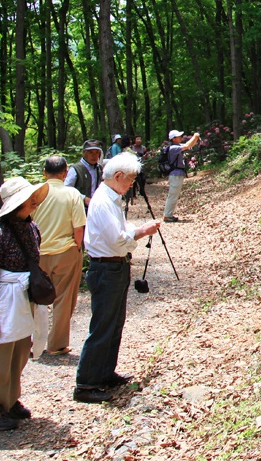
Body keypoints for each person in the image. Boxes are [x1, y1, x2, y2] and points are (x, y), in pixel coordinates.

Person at [74, 154, 160, 404]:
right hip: (105, 269)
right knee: (102, 325)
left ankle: (104, 373)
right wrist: (142, 231)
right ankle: (86, 383)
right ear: (118, 176)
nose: (132, 184)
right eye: (131, 180)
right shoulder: (102, 202)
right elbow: (118, 239)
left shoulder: (112, 198)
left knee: (114, 323)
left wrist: (136, 231)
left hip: (116, 266)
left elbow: (119, 234)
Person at [0, 176, 50, 431]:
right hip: (3, 299)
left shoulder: (32, 228)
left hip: (23, 296)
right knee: (0, 354)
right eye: (28, 199)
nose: (33, 203)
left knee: (20, 351)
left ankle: (10, 400)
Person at [31, 156, 86, 357]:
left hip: (37, 253)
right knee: (63, 299)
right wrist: (78, 247)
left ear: (44, 172)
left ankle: (30, 343)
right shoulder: (72, 194)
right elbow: (78, 227)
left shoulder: (35, 192)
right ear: (65, 173)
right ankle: (57, 344)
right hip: (66, 251)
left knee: (34, 298)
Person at [163, 129, 200, 223]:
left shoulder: (177, 146)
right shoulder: (173, 148)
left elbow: (189, 145)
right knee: (173, 195)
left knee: (174, 195)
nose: (181, 137)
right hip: (175, 175)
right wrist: (195, 136)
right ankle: (167, 215)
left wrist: (195, 138)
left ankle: (168, 215)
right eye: (178, 136)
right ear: (174, 139)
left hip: (177, 175)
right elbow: (187, 145)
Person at [65, 140, 105, 207]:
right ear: (84, 153)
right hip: (78, 208)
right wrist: (83, 198)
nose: (94, 155)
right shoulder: (76, 169)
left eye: (97, 153)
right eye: (91, 152)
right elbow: (66, 189)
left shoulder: (99, 169)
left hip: (95, 207)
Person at [128, 135, 148, 199]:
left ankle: (142, 192)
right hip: (133, 166)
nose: (139, 140)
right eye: (137, 139)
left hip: (141, 165)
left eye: (140, 139)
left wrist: (146, 157)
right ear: (135, 140)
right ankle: (133, 194)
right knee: (134, 180)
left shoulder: (143, 148)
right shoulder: (131, 147)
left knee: (143, 179)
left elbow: (146, 156)